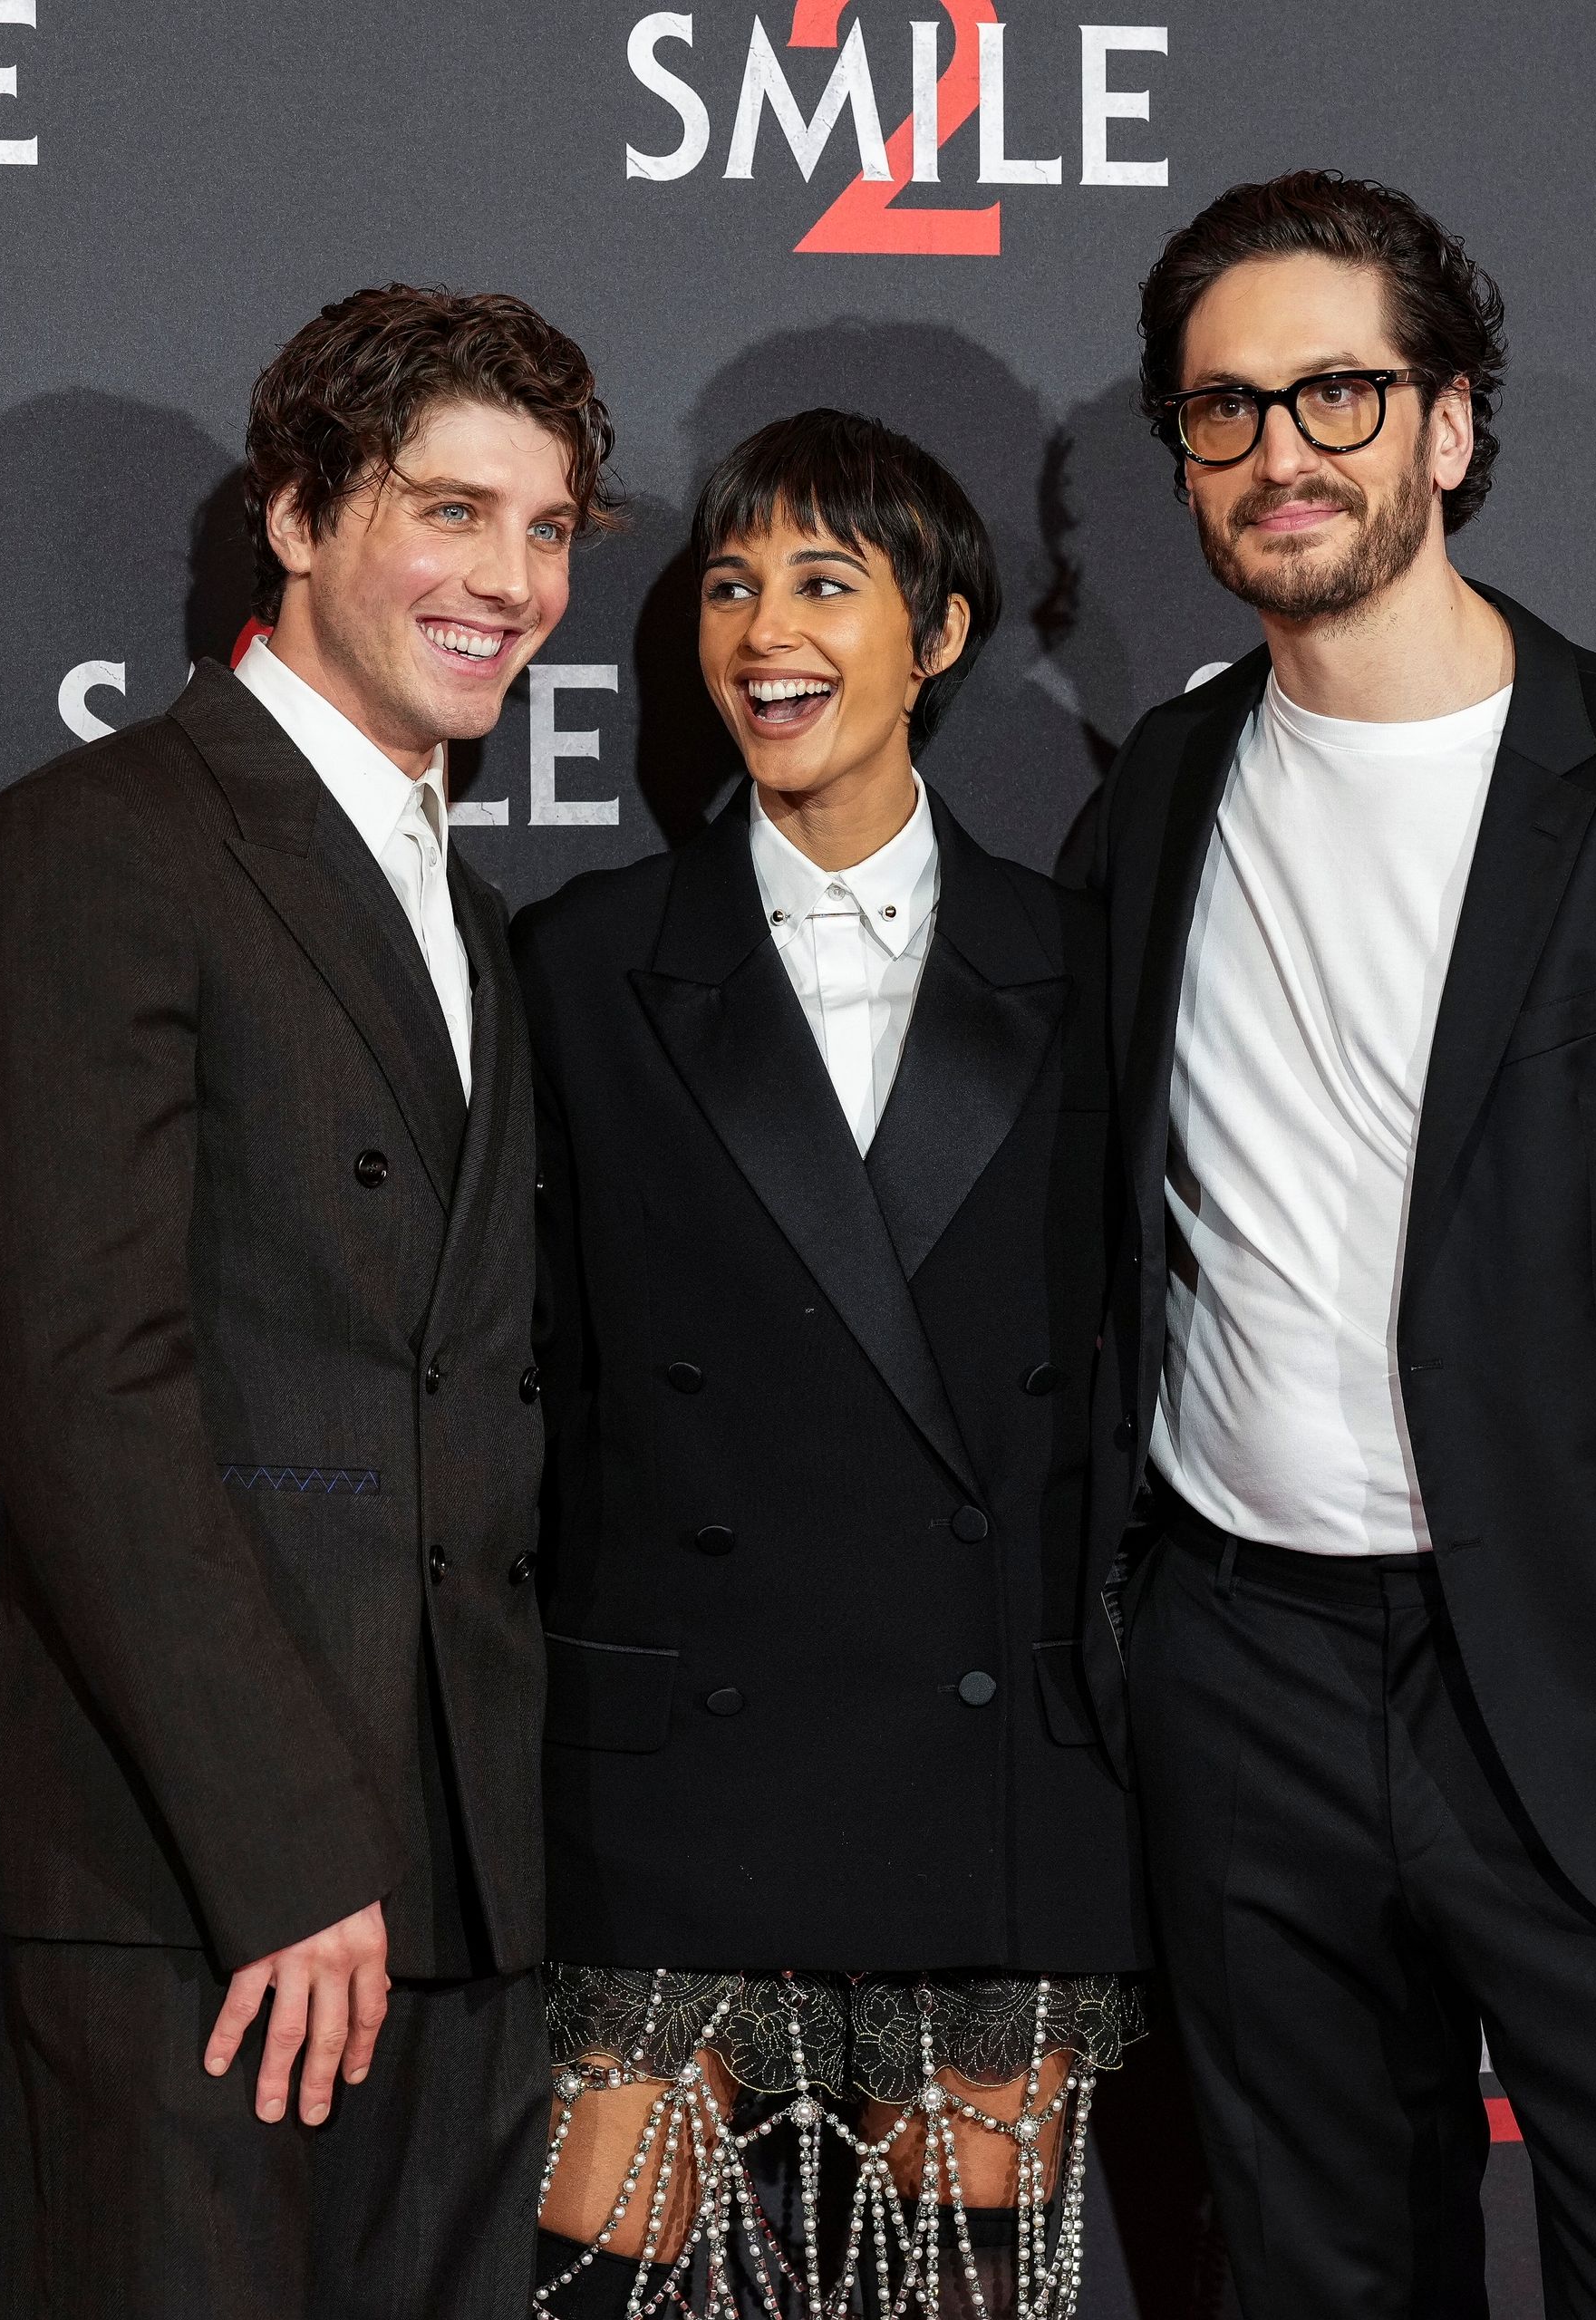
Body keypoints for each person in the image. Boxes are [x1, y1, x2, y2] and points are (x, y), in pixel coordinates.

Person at [1074, 172, 1596, 2315]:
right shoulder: (1160, 790)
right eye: (1226, 410)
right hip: (1240, 1673)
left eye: (1340, 392)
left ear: (1450, 425)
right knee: (1310, 2279)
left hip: (1592, 1693)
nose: (1283, 456)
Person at [0, 284, 617, 2317]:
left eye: (554, 527)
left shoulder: (477, 910)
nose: (511, 580)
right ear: (300, 514)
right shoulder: (97, 846)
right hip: (207, 1893)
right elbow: (91, 1389)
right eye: (452, 511)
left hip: (473, 1894)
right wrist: (294, 1849)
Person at [511, 410, 1142, 2319]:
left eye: (822, 580)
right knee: (605, 2286)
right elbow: (529, 1382)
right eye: (728, 584)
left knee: (954, 2296)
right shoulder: (581, 962)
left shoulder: (1089, 962)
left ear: (938, 633)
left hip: (992, 1788)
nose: (762, 630)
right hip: (676, 1780)